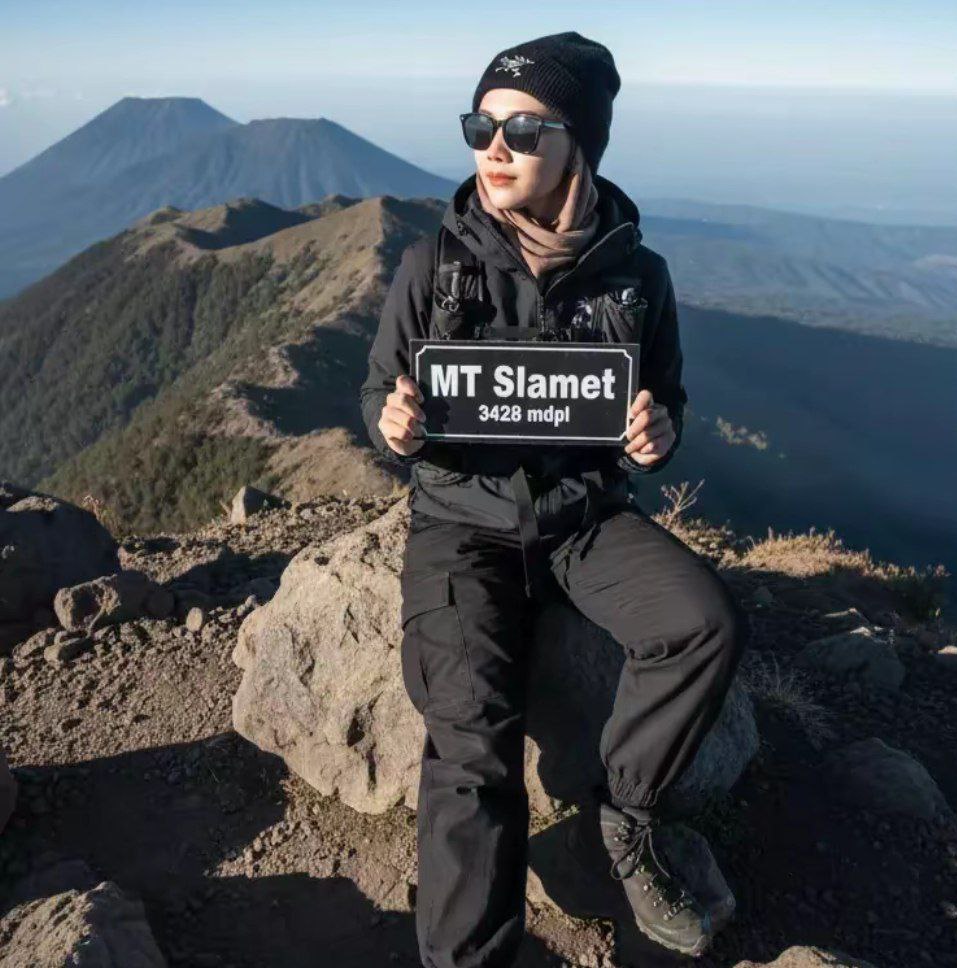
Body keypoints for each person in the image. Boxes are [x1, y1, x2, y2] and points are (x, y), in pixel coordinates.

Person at [360, 31, 749, 968]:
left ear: (579, 146)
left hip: (584, 519)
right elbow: (378, 393)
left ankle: (626, 816)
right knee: (471, 748)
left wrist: (659, 435)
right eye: (479, 125)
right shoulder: (432, 266)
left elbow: (667, 402)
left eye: (523, 128)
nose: (493, 147)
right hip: (463, 524)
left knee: (704, 626)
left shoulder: (638, 278)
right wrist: (396, 425)